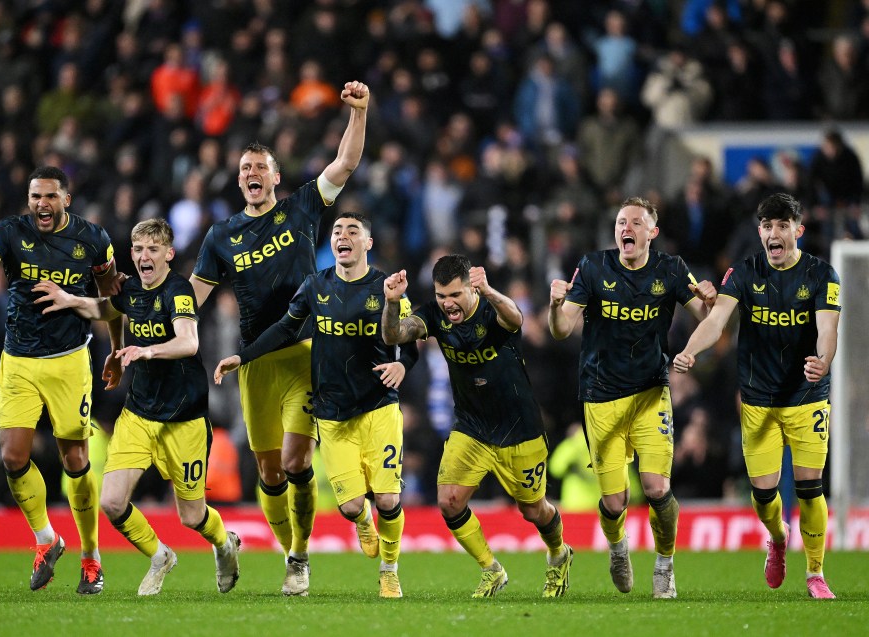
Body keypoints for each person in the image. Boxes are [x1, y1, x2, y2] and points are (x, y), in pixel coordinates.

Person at [190, 80, 369, 596]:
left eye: (259, 168)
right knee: (268, 474)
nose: (251, 174)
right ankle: (288, 547)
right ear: (239, 180)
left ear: (276, 177)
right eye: (244, 168)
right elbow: (194, 296)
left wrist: (358, 113)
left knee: (296, 462)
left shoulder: (302, 208)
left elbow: (346, 163)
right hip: (256, 361)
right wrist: (154, 327)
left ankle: (300, 556)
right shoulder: (220, 236)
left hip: (305, 352)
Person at [214, 212, 417, 598]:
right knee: (352, 506)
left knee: (389, 497)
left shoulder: (385, 288)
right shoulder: (315, 285)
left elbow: (408, 343)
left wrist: (403, 365)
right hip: (332, 413)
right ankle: (362, 520)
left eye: (353, 231)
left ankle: (389, 570)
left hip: (379, 407)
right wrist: (245, 356)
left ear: (367, 244)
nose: (343, 236)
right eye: (338, 231)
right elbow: (286, 328)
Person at [33, 218, 241, 596]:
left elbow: (188, 342)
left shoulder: (178, 291)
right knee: (111, 502)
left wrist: (146, 350)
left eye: (153, 250)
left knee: (192, 516)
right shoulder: (130, 289)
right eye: (139, 249)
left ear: (168, 254)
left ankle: (225, 544)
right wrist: (69, 300)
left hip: (185, 418)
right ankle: (159, 555)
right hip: (139, 414)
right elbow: (106, 308)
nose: (145, 257)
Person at [0, 165, 123, 594]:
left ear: (67, 199)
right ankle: (47, 539)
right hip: (20, 360)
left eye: (49, 196)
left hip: (68, 362)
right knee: (12, 457)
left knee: (75, 461)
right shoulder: (9, 232)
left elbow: (111, 301)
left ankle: (91, 557)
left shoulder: (93, 240)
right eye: (35, 197)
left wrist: (117, 352)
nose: (41, 204)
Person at [547, 196, 716, 599]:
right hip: (600, 396)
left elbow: (707, 321)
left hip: (650, 392)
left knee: (657, 489)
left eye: (637, 222)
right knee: (614, 501)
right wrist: (555, 306)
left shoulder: (670, 269)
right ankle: (619, 549)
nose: (628, 228)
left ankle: (665, 565)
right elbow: (560, 329)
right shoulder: (592, 267)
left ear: (651, 233)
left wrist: (710, 303)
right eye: (623, 221)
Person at [673, 193, 840, 600]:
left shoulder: (821, 274)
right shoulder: (744, 273)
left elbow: (828, 328)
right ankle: (778, 538)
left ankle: (815, 573)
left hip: (807, 396)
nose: (774, 233)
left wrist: (823, 360)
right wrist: (691, 349)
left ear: (798, 231)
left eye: (782, 225)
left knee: (810, 488)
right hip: (758, 400)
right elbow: (716, 320)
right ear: (760, 231)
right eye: (767, 226)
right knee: (764, 495)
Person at [382, 254, 573, 599]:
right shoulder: (434, 315)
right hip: (472, 426)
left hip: (519, 426)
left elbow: (515, 319)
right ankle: (491, 569)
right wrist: (392, 303)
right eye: (442, 296)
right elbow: (394, 333)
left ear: (471, 286)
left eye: (455, 295)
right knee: (450, 501)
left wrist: (489, 291)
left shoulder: (491, 309)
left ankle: (559, 554)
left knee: (533, 509)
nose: (448, 304)